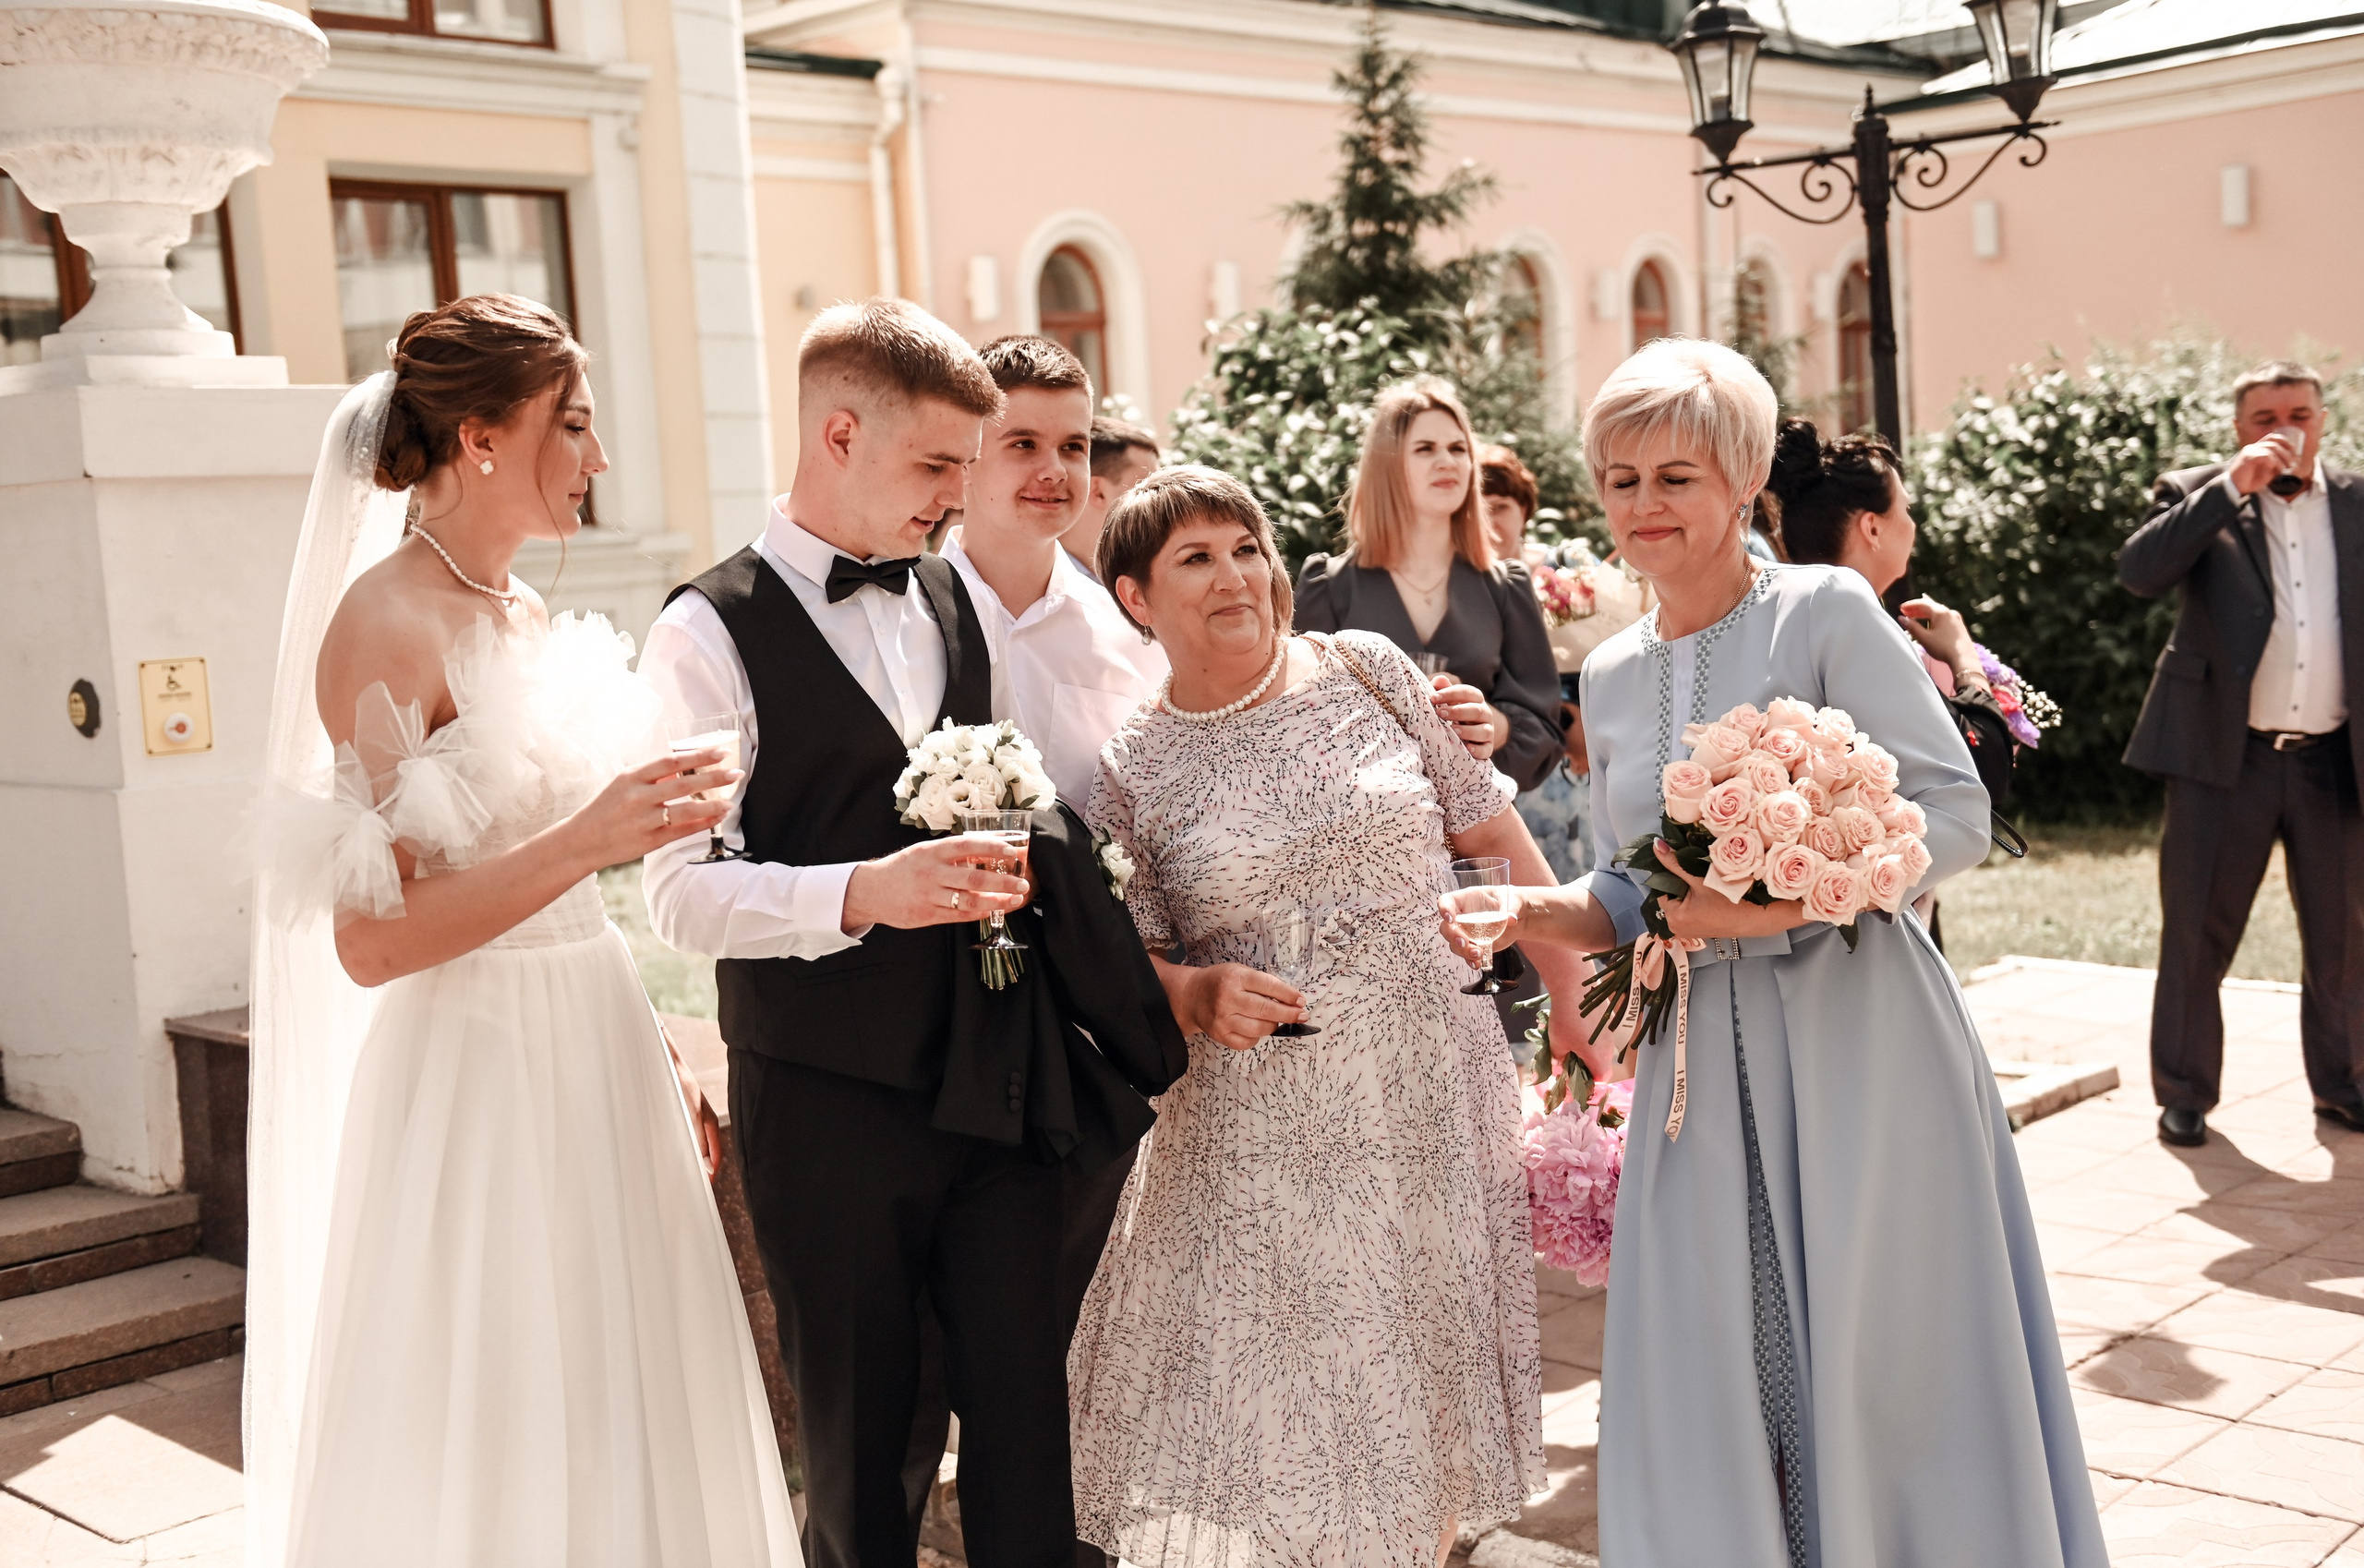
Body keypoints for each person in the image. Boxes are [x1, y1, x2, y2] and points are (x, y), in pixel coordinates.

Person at [1440, 339, 2105, 1568]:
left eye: (1676, 477)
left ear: (1745, 480)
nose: (1644, 506)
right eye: (1621, 478)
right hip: (1703, 1067)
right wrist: (1530, 915)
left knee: (1885, 1352)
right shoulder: (1620, 673)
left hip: (1863, 1040)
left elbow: (1951, 816)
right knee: (1724, 1359)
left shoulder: (1825, 609)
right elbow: (1641, 888)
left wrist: (1777, 912)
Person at [246, 295, 801, 1566]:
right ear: (484, 436)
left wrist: (652, 1042)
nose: (599, 460)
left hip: (593, 1030)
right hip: (479, 1066)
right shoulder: (384, 623)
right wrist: (592, 838)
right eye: (577, 426)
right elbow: (371, 942)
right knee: (507, 1402)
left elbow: (557, 874)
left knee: (625, 1380)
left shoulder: (520, 612)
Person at [639, 298, 1183, 1568]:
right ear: (838, 433)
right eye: (938, 464)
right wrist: (862, 893)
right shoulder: (703, 633)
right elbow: (678, 893)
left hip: (994, 1085)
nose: (957, 496)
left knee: (1021, 1425)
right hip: (829, 1108)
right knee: (866, 1455)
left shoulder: (949, 600)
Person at [1070, 464, 1550, 1568]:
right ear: (1137, 599)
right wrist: (1191, 990)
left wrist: (1577, 1006)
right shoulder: (1131, 769)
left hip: (1428, 1078)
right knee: (1297, 1387)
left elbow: (1492, 839)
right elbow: (1129, 953)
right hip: (1262, 1124)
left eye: (1246, 547)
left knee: (1422, 1368)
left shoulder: (1368, 670)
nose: (1235, 574)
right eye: (1195, 557)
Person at [2119, 359, 2364, 1147]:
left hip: (2335, 759)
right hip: (2226, 758)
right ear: (2239, 426)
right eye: (2265, 417)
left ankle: (2345, 1083)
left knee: (2344, 934)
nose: (2283, 429)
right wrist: (2231, 485)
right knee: (2197, 928)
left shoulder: (2358, 503)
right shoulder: (2196, 491)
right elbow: (2139, 572)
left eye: (2298, 413)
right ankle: (2185, 1089)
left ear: (2323, 420)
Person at [1297, 377, 1563, 795]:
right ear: (1387, 466)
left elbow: (1542, 731)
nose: (1448, 461)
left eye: (1459, 449)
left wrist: (1489, 722)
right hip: (1367, 835)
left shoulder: (1505, 587)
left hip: (1481, 836)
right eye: (1426, 449)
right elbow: (1299, 727)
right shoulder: (1328, 587)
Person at [944, 337, 1169, 806]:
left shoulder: (1135, 639)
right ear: (965, 458)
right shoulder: (900, 617)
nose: (1054, 470)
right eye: (1024, 444)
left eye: (1072, 447)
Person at [1762, 418, 2019, 813]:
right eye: (1907, 509)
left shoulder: (1772, 621)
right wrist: (1965, 660)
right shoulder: (1862, 631)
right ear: (1873, 529)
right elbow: (1980, 773)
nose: (1913, 524)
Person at [1480, 445, 1591, 886]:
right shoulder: (1461, 585)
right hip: (1503, 757)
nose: (1490, 519)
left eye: (1502, 507)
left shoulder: (1569, 573)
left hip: (1571, 758)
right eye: (1478, 507)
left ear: (1524, 510)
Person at [1065, 416, 1160, 585]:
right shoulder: (1037, 584)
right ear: (1097, 491)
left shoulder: (1143, 577)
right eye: (1146, 487)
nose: (1158, 501)